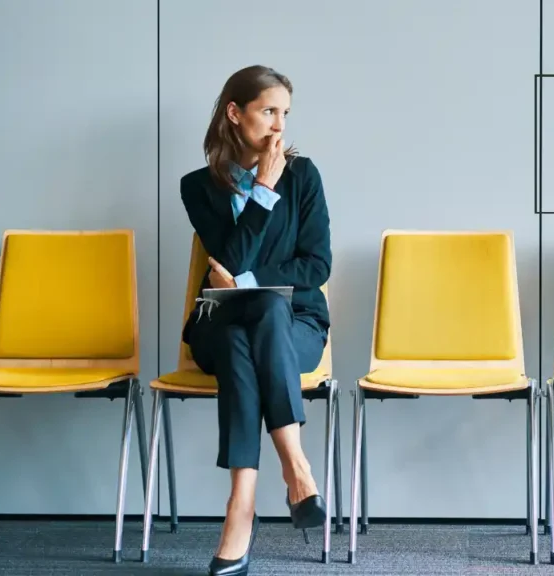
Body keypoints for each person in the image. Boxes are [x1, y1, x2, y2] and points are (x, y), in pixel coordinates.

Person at [179, 64, 331, 576]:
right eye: (269, 111)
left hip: (295, 328)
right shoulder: (198, 187)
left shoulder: (305, 175)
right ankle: (296, 466)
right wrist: (263, 191)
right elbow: (228, 256)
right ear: (234, 113)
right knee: (249, 321)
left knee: (261, 315)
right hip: (218, 323)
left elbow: (317, 266)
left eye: (285, 113)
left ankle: (240, 506)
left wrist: (246, 283)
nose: (278, 126)